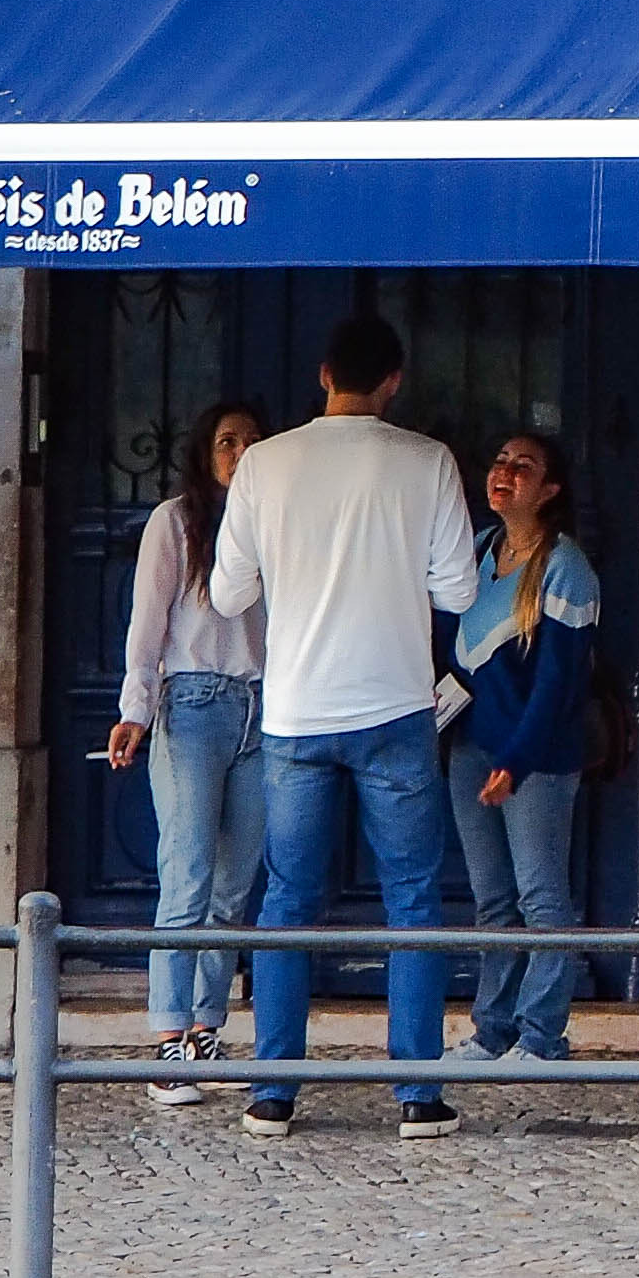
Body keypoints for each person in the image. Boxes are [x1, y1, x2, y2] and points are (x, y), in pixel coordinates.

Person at [207, 310, 479, 1141]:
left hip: (295, 712)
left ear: (323, 375)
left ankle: (274, 1091)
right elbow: (460, 593)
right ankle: (416, 1094)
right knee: (412, 901)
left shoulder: (262, 464)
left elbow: (228, 595)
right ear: (393, 381)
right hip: (396, 709)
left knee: (287, 899)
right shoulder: (427, 462)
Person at [108, 398, 270, 1104]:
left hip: (265, 709)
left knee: (235, 886)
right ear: (205, 452)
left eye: (251, 443)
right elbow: (149, 619)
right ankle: (168, 1039)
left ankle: (208, 1025)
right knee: (188, 873)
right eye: (227, 442)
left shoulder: (276, 522)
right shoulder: (176, 521)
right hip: (194, 705)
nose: (238, 453)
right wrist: (134, 709)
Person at [449, 431, 603, 1069]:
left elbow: (555, 687)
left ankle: (542, 1037)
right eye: (500, 461)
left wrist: (515, 761)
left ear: (550, 491)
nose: (504, 472)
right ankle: (492, 1031)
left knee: (542, 900)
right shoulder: (478, 554)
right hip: (470, 750)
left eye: (523, 466)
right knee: (493, 901)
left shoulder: (566, 567)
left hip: (534, 761)